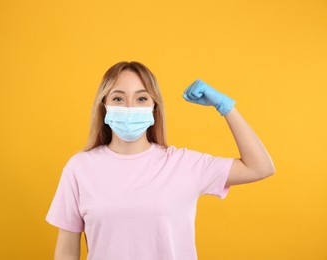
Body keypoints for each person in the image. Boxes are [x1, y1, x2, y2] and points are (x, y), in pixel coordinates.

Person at [45, 61, 275, 260]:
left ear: (154, 107)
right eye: (118, 98)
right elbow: (66, 251)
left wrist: (225, 107)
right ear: (104, 106)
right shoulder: (80, 168)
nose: (129, 107)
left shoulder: (183, 164)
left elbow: (260, 167)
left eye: (141, 98)